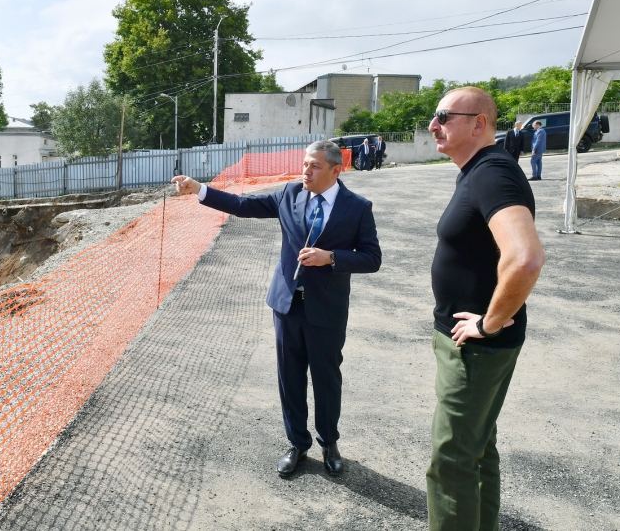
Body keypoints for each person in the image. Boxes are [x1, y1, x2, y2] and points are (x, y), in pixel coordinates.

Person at [171, 140, 381, 477]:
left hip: (326, 310)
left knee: (327, 379)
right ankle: (297, 444)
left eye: (313, 166)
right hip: (286, 305)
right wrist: (200, 189)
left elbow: (372, 258)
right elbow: (242, 205)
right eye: (304, 164)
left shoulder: (356, 207)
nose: (305, 171)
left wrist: (332, 258)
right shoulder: (289, 195)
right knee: (290, 376)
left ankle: (329, 442)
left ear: (335, 170)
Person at [425, 87, 545, 530]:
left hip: (474, 349)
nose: (433, 126)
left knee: (451, 459)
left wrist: (488, 323)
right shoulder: (478, 170)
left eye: (443, 116)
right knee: (477, 448)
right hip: (473, 344)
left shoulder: (492, 172)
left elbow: (525, 257)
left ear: (479, 123)